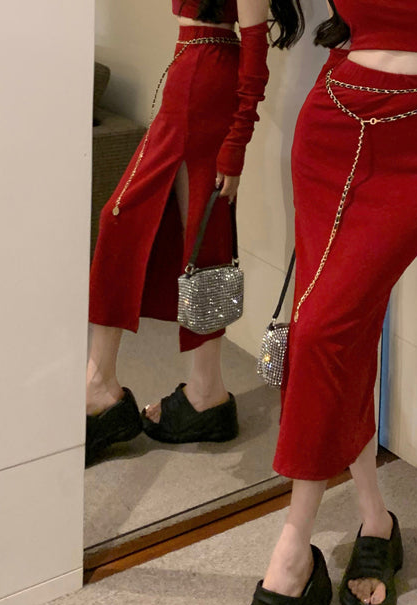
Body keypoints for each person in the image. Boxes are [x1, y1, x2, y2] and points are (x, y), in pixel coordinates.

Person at [223, 0, 417, 605]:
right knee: (342, 334)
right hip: (333, 122)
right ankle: (374, 521)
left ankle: (294, 554)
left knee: (321, 331)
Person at [86, 0, 304, 464]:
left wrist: (236, 145)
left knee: (181, 234)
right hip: (189, 73)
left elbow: (255, 49)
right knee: (191, 240)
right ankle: (200, 389)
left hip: (207, 83)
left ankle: (118, 387)